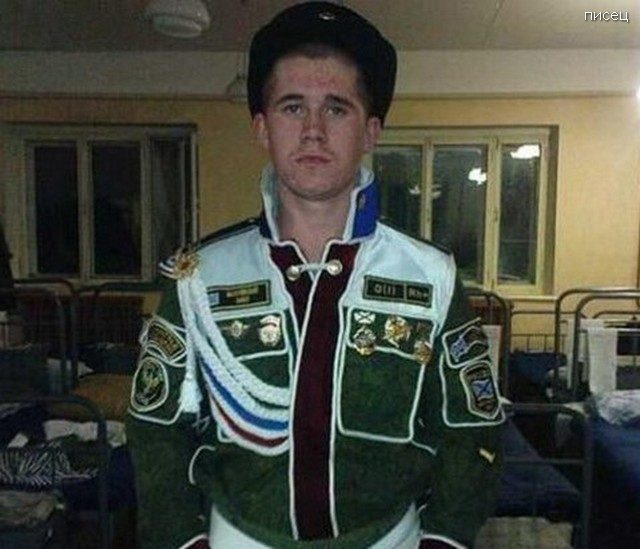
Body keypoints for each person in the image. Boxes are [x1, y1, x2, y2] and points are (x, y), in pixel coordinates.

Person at [126, 3, 504, 548]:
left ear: (370, 131)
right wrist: (183, 540)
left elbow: (472, 429)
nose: (313, 131)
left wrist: (445, 538)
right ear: (262, 127)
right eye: (292, 107)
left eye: (336, 108)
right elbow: (156, 429)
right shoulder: (199, 276)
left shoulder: (432, 276)